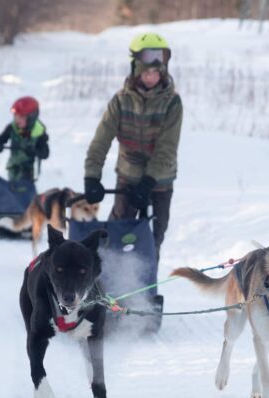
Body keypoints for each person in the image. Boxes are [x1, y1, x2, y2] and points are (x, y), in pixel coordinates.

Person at [83, 32, 183, 261]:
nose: (151, 77)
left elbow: (167, 147)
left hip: (160, 181)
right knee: (116, 234)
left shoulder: (173, 102)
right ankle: (107, 280)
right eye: (147, 72)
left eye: (156, 72)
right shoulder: (120, 101)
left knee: (153, 238)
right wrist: (92, 176)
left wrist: (149, 181)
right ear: (136, 69)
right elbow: (101, 141)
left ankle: (145, 286)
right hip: (128, 178)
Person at [0, 96, 50, 182]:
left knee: (23, 190)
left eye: (21, 117)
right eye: (15, 116)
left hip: (29, 172)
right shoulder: (12, 128)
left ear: (31, 118)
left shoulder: (39, 132)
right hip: (13, 169)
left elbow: (45, 153)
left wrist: (35, 151)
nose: (17, 120)